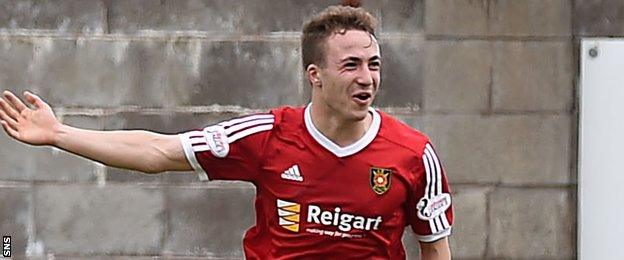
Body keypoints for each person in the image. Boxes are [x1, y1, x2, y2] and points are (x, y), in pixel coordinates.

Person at [0, 4, 453, 260]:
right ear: (315, 74)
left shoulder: (413, 154)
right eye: (351, 65)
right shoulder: (267, 135)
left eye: (373, 65)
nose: (367, 78)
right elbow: (158, 151)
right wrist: (60, 133)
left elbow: (435, 249)